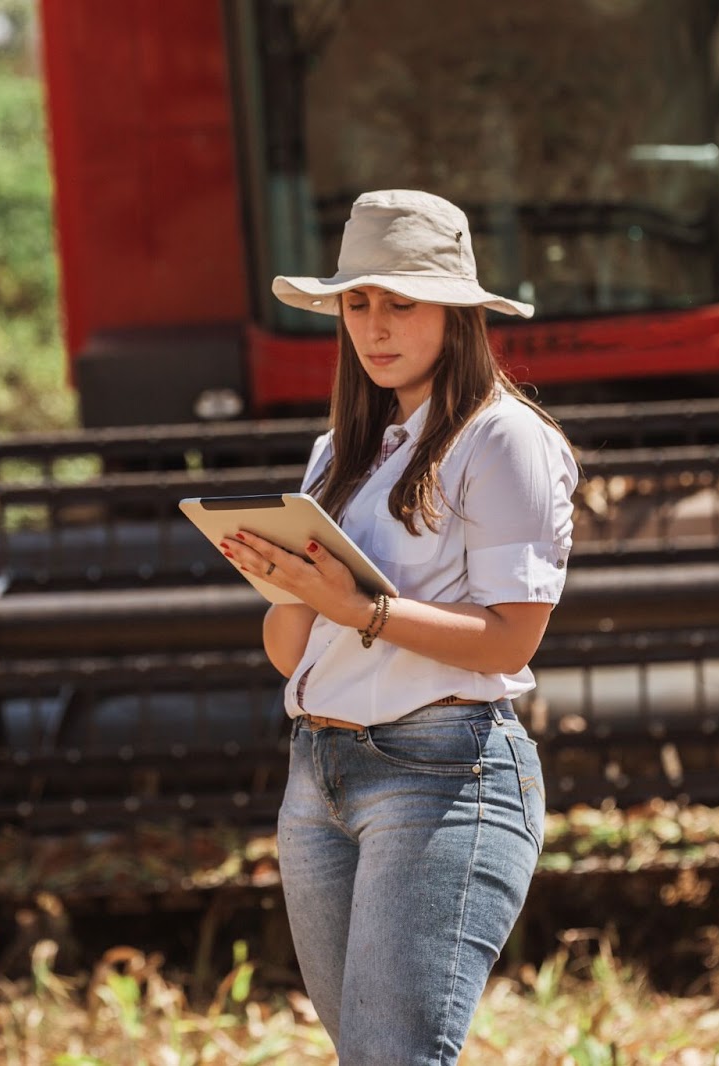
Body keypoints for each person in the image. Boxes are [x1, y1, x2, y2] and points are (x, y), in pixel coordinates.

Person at [218, 189, 577, 1065]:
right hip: (318, 776)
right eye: (357, 303)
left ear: (457, 313)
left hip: (444, 774)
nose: (374, 327)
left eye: (400, 302)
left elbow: (508, 642)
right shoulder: (338, 452)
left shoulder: (503, 441)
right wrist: (287, 588)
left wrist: (360, 608)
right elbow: (291, 656)